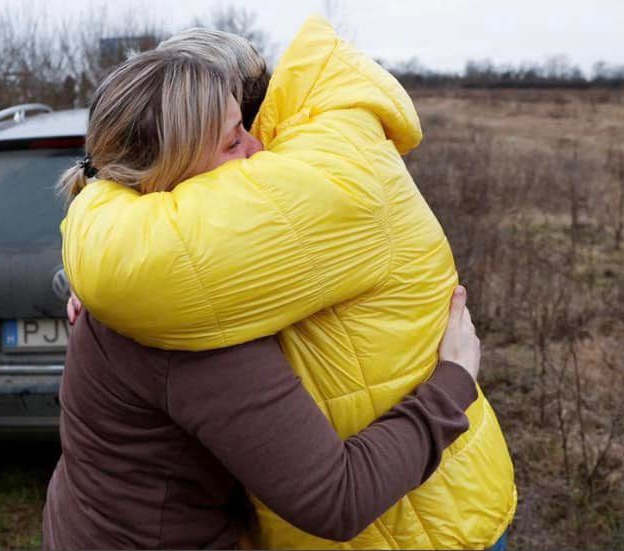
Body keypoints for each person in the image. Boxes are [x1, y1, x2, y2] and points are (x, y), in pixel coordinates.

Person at [57, 19, 515, 549]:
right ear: (173, 180)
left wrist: (91, 256)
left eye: (252, 129)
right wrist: (453, 381)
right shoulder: (182, 306)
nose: (259, 153)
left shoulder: (204, 253)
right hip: (421, 513)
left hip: (437, 516)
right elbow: (336, 498)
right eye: (235, 140)